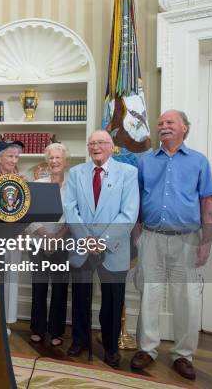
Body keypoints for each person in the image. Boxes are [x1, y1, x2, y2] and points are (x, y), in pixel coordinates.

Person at [130, 110, 212, 380]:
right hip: (152, 237)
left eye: (169, 122)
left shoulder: (199, 161)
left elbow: (207, 203)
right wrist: (136, 234)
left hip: (187, 240)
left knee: (187, 299)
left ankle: (183, 354)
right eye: (160, 124)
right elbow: (136, 200)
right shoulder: (145, 161)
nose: (163, 127)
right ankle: (147, 349)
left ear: (184, 128)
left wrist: (206, 242)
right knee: (150, 294)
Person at [64, 130, 139, 367]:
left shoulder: (128, 173)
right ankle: (80, 341)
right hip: (81, 245)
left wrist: (102, 240)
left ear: (112, 146)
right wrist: (86, 238)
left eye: (101, 142)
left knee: (113, 300)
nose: (95, 147)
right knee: (80, 297)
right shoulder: (76, 173)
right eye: (92, 143)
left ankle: (110, 347)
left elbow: (129, 213)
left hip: (114, 247)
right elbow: (70, 208)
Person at [27, 142, 71, 347]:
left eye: (58, 158)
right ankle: (37, 328)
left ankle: (56, 330)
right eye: (51, 157)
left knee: (60, 287)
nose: (54, 161)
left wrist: (59, 236)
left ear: (65, 160)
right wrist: (45, 236)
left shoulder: (73, 185)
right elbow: (28, 214)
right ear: (47, 160)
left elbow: (76, 216)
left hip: (63, 242)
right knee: (39, 285)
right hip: (38, 242)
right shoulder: (38, 184)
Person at [0, 139, 26, 335]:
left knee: (11, 279)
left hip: (14, 236)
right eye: (10, 156)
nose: (14, 160)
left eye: (16, 156)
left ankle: (6, 322)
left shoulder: (19, 178)